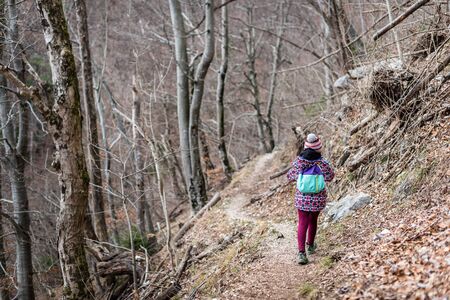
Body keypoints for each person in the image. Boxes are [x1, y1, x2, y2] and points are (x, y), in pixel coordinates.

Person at [287, 133, 334, 265]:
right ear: (318, 147)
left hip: (302, 197)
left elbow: (290, 176)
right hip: (318, 197)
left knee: (302, 222)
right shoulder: (322, 162)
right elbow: (330, 177)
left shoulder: (299, 161)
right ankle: (311, 245)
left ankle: (301, 253)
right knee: (313, 220)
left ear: (306, 147)